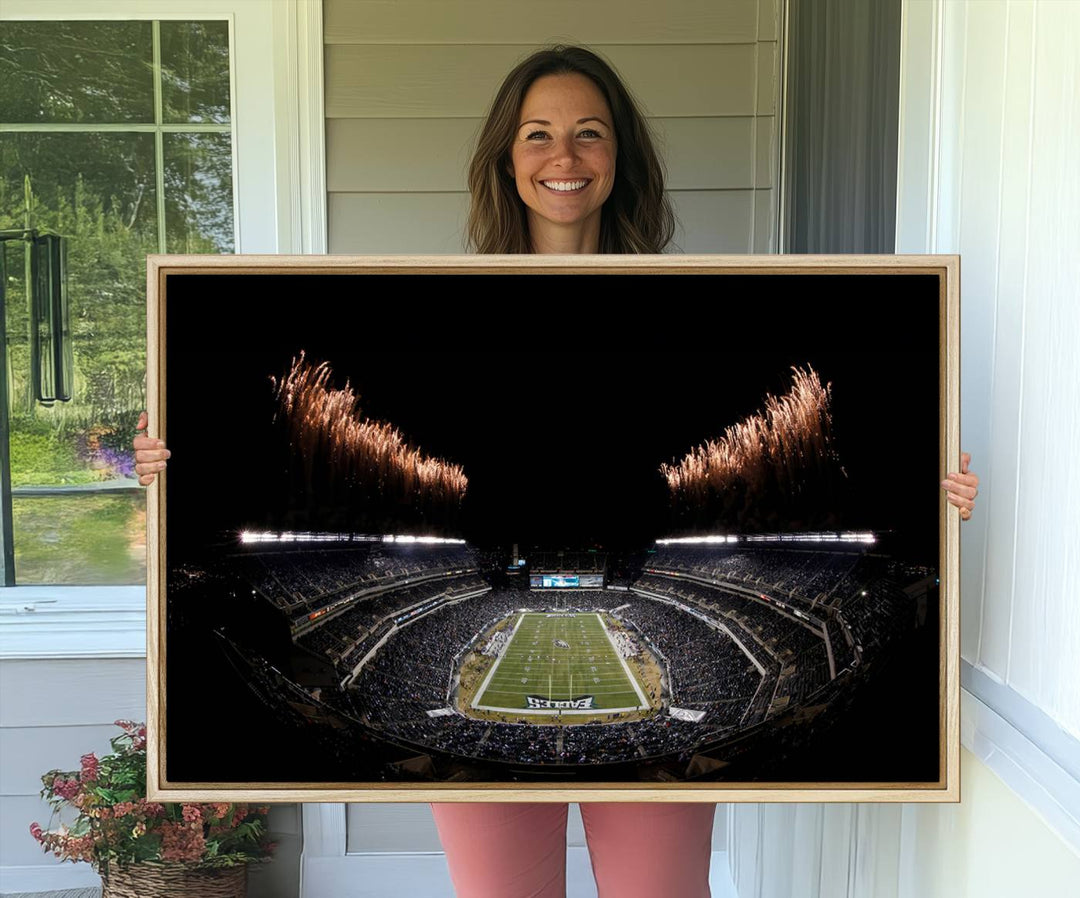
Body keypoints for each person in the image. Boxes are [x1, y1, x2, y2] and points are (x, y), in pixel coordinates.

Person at [135, 45, 980, 898]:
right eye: (538, 134)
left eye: (589, 133)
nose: (564, 157)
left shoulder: (695, 311)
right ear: (507, 157)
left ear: (621, 158)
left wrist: (931, 495)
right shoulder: (438, 314)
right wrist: (172, 470)